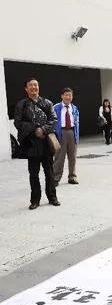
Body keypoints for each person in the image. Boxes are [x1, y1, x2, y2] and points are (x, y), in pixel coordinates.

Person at [14, 78, 60, 210]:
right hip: (31, 144)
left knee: (49, 172)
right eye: (31, 85)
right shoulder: (21, 105)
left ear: (38, 87)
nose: (33, 87)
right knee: (33, 174)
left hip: (46, 143)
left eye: (35, 85)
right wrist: (35, 129)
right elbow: (18, 123)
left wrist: (43, 129)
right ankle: (35, 200)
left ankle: (52, 197)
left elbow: (53, 119)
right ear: (26, 89)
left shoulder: (47, 103)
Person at [53, 87, 80, 186]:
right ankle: (55, 178)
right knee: (59, 157)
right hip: (61, 133)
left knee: (72, 156)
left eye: (70, 95)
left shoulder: (74, 108)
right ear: (62, 96)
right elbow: (51, 121)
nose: (68, 97)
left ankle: (72, 176)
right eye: (66, 95)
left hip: (72, 132)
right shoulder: (56, 107)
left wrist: (76, 135)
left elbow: (77, 122)